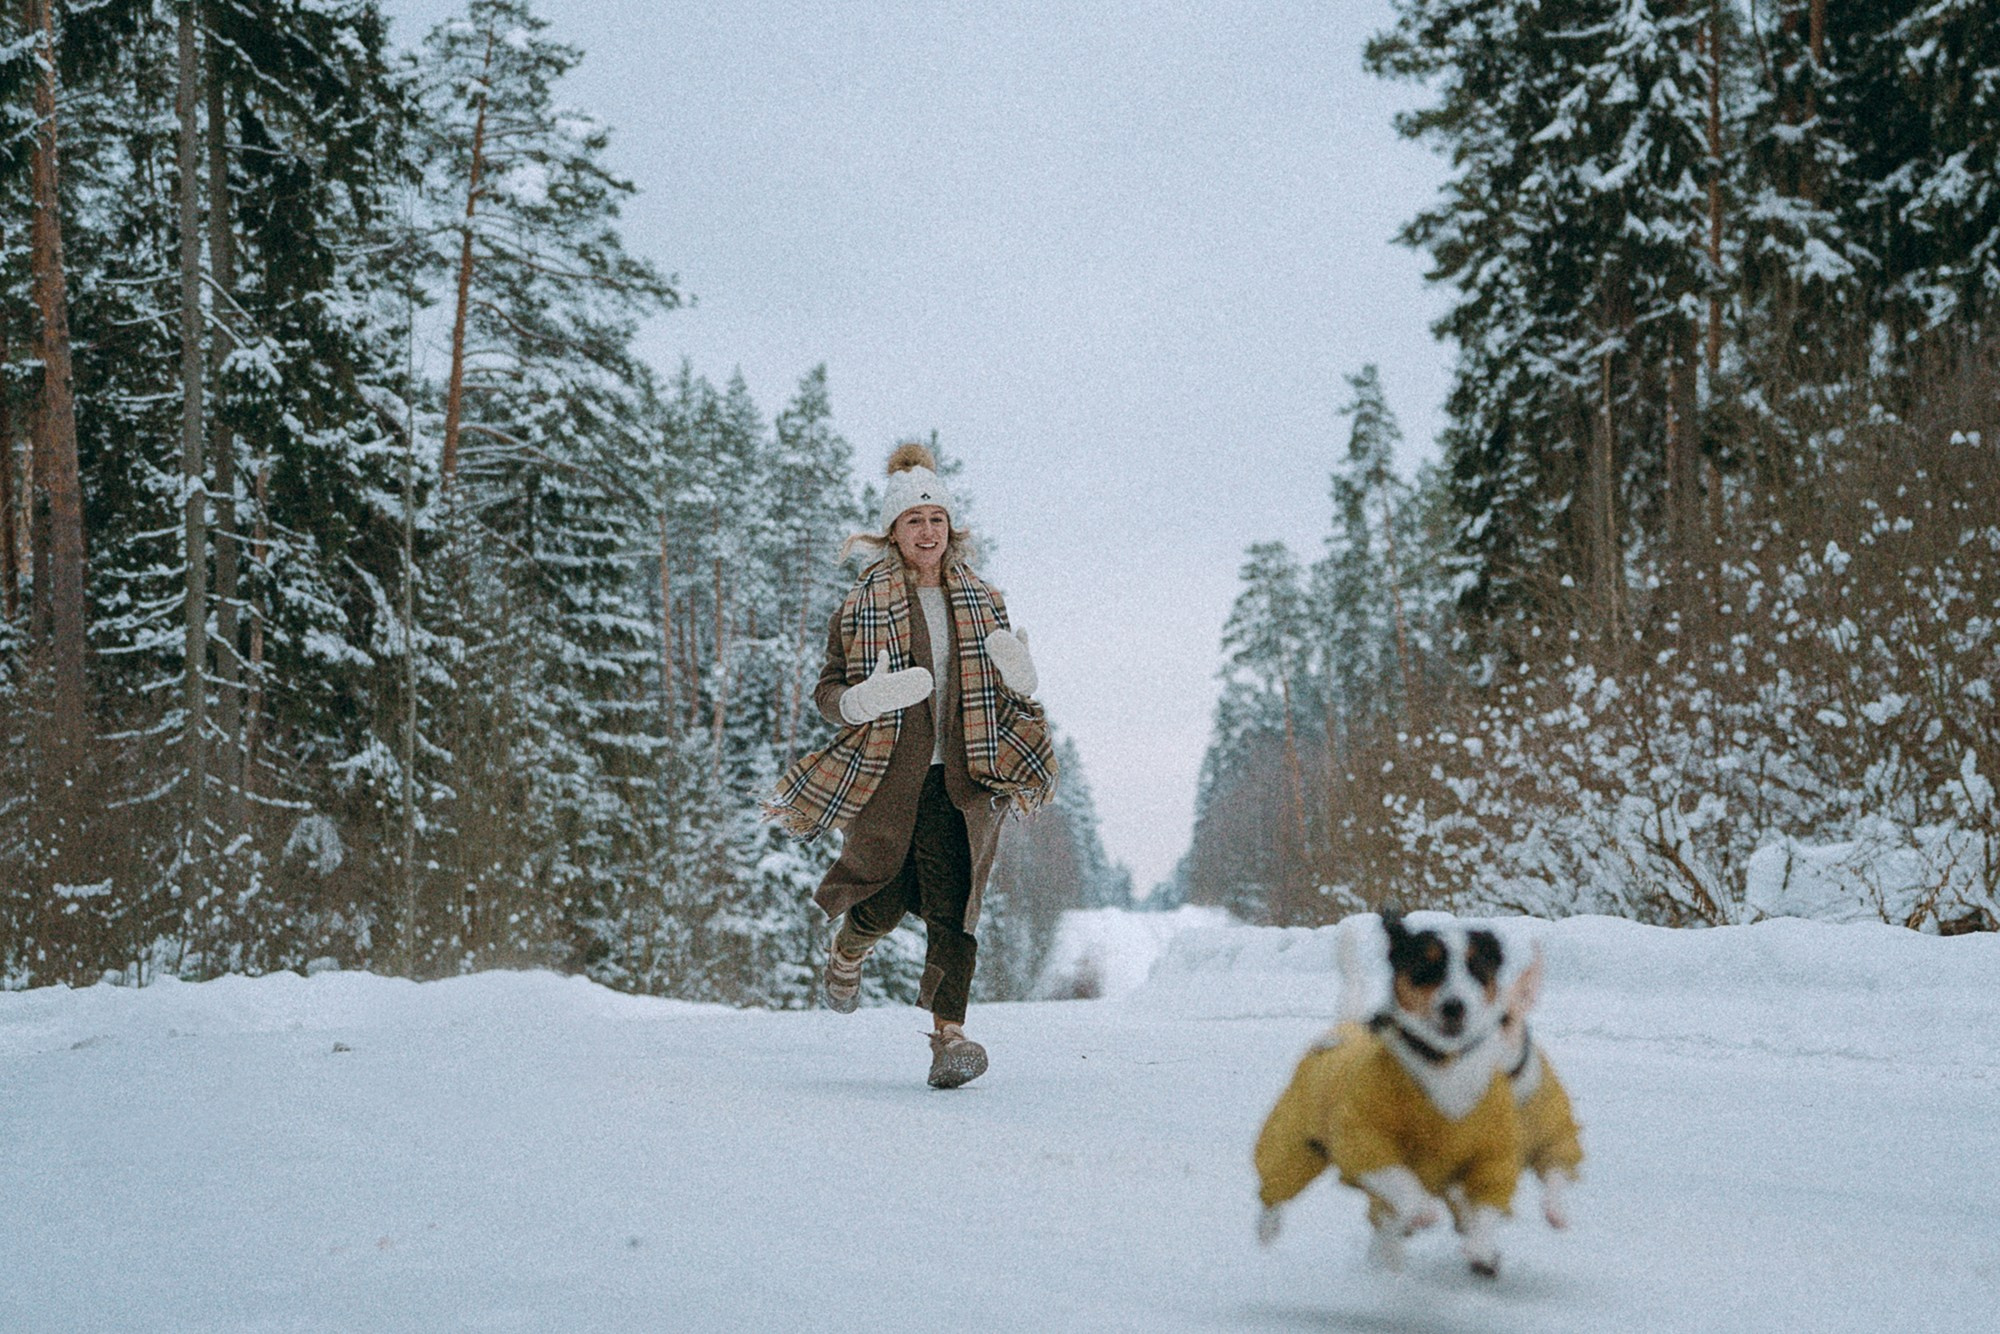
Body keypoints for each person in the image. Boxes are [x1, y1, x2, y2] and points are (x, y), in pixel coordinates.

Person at [765, 442, 1057, 1088]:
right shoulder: (859, 607)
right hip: (889, 776)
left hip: (964, 778)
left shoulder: (986, 601)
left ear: (951, 527)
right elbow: (827, 693)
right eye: (913, 521)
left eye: (936, 519)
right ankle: (849, 946)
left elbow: (1008, 693)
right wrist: (859, 700)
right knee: (886, 898)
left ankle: (949, 1038)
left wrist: (1023, 679)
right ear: (892, 533)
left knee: (956, 906)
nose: (927, 532)